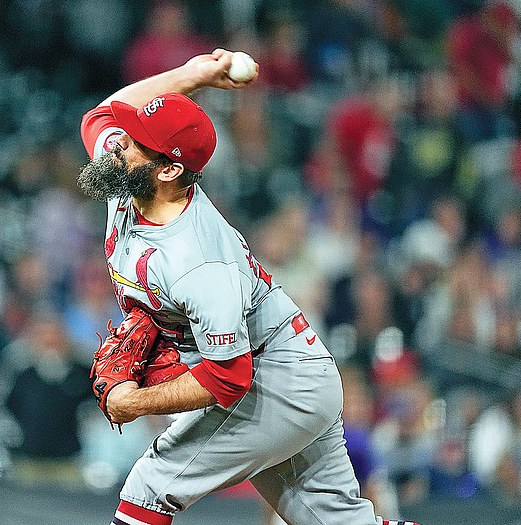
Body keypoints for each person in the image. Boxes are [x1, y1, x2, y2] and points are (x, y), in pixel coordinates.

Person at [77, 48, 419, 525]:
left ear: (169, 169)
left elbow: (228, 377)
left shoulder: (198, 261)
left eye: (136, 141)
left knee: (150, 486)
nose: (119, 143)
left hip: (275, 379)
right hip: (287, 369)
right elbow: (101, 116)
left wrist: (133, 402)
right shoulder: (132, 176)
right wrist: (191, 76)